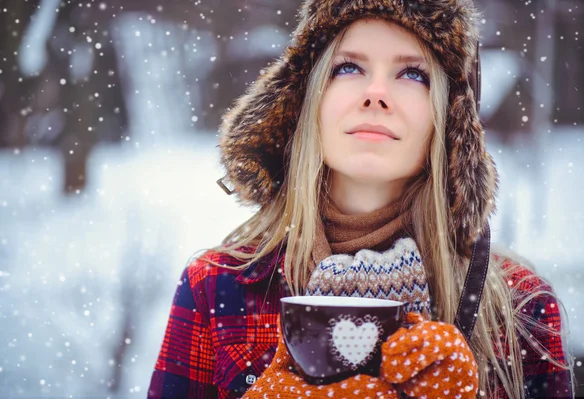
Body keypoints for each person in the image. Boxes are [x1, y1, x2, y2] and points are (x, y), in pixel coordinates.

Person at [147, 0, 575, 398]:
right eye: (349, 67)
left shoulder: (521, 309)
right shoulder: (216, 287)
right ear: (307, 99)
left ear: (449, 119)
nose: (376, 93)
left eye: (413, 74)